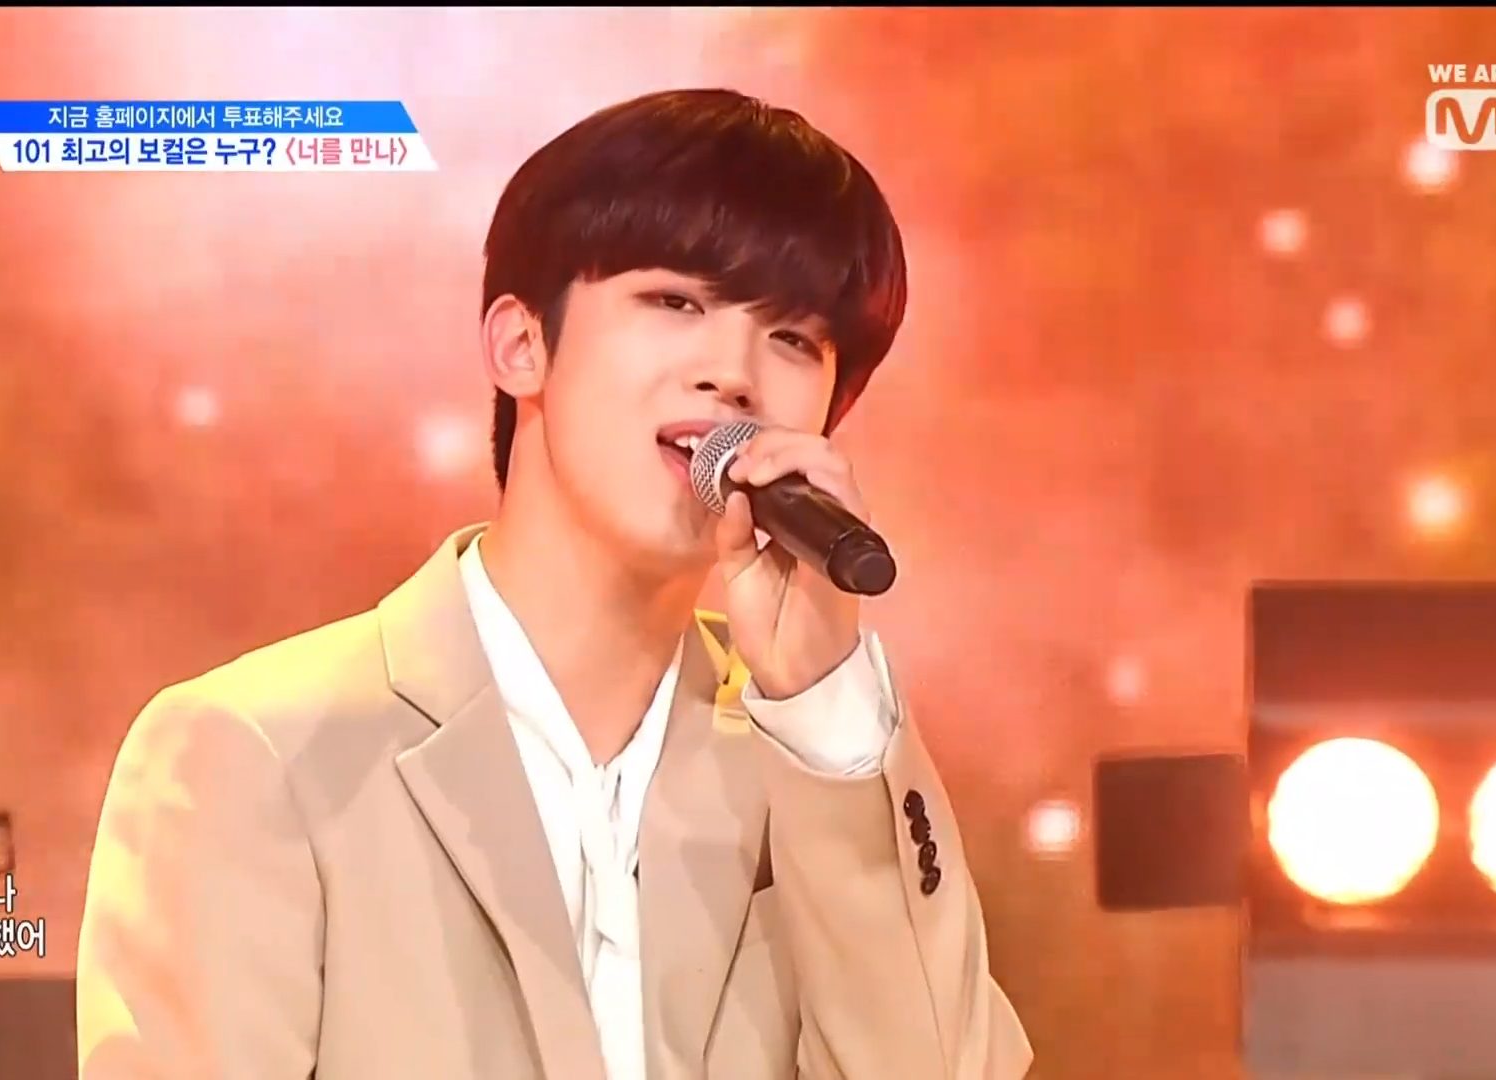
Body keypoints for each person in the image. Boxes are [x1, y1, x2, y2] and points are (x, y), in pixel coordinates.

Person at [75, 87, 1033, 1080]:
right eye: (677, 302)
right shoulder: (261, 754)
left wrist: (823, 703)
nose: (735, 372)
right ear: (520, 344)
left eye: (793, 338)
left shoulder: (818, 768)